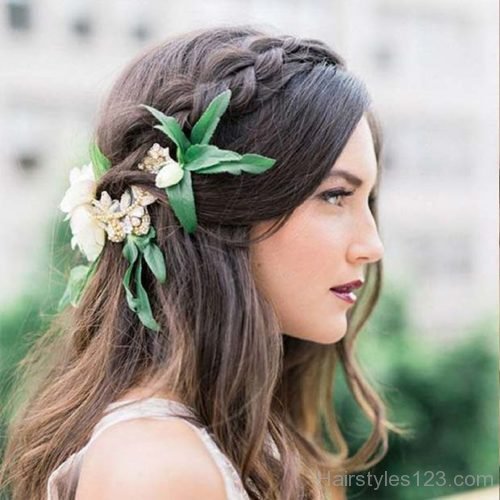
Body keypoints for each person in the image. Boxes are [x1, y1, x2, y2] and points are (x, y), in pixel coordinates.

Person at [0, 24, 404, 500]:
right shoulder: (156, 470)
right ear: (226, 208)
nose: (371, 246)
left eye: (367, 201)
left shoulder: (226, 432)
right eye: (335, 196)